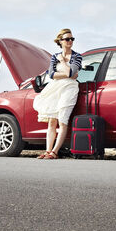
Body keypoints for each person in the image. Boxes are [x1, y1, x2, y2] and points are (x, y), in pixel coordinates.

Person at [33, 28, 82, 159]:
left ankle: (55, 152)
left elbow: (71, 73)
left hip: (69, 89)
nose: (70, 41)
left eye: (72, 39)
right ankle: (48, 151)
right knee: (51, 121)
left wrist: (62, 62)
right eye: (67, 39)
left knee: (63, 120)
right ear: (60, 41)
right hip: (55, 88)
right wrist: (67, 73)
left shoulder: (77, 56)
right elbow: (51, 74)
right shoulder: (54, 56)